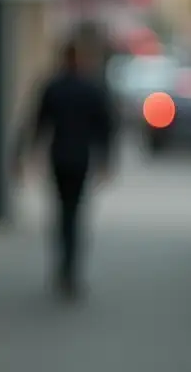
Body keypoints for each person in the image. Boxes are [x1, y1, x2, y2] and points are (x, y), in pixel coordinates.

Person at [15, 39, 116, 298]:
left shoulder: (53, 87)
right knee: (75, 212)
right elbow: (105, 127)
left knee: (61, 212)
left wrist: (26, 155)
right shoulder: (91, 88)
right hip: (81, 159)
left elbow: (37, 123)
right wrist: (106, 161)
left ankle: (63, 267)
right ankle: (70, 270)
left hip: (59, 157)